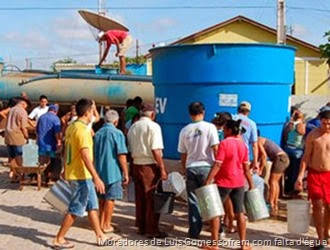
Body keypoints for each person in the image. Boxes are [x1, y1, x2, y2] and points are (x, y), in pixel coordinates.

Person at [53, 98, 113, 248]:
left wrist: (65, 168)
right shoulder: (83, 130)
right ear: (87, 113)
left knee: (92, 206)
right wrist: (96, 177)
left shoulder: (71, 126)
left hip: (76, 172)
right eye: (93, 111)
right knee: (76, 208)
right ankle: (59, 239)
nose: (94, 114)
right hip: (82, 175)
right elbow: (85, 155)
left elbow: (66, 149)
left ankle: (100, 235)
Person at [205, 119, 254, 250]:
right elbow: (246, 168)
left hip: (223, 182)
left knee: (215, 212)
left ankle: (214, 244)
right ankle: (243, 244)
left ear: (229, 130)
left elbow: (218, 163)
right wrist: (251, 184)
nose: (223, 131)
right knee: (240, 213)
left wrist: (209, 180)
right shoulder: (243, 146)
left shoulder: (224, 144)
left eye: (225, 129)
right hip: (239, 183)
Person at [178, 102, 219, 238]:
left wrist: (184, 168)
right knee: (210, 200)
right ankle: (215, 231)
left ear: (190, 114)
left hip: (191, 167)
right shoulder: (210, 128)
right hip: (207, 167)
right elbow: (216, 148)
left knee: (193, 201)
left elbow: (183, 153)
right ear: (203, 112)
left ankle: (194, 231)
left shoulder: (184, 130)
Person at [127, 103, 168, 238]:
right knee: (152, 197)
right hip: (149, 166)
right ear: (152, 114)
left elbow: (130, 148)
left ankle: (141, 226)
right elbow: (155, 149)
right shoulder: (154, 127)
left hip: (136, 164)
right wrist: (162, 169)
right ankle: (152, 229)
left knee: (140, 198)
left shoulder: (133, 126)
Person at [295, 110, 330, 249]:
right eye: (324, 123)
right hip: (315, 174)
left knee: (328, 207)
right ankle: (320, 238)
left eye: (329, 124)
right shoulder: (313, 135)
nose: (327, 127)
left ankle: (326, 232)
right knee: (317, 206)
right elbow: (306, 157)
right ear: (319, 121)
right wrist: (299, 176)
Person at [94, 109, 129, 233]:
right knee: (111, 198)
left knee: (101, 198)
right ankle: (107, 224)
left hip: (99, 171)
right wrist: (126, 171)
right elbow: (121, 155)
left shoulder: (98, 133)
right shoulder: (117, 133)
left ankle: (100, 222)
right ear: (116, 121)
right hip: (113, 171)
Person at [258, 134, 290, 214]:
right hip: (284, 158)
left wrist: (260, 169)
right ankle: (275, 203)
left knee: (272, 181)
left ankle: (271, 203)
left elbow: (264, 156)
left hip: (279, 159)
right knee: (275, 182)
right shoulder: (263, 140)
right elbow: (260, 156)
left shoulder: (258, 141)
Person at [4, 97, 30, 181]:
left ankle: (13, 175)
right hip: (17, 136)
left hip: (8, 136)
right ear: (23, 104)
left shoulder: (11, 110)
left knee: (11, 157)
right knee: (19, 156)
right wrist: (27, 136)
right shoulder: (22, 111)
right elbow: (23, 127)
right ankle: (20, 175)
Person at [36, 104, 62, 183]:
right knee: (52, 160)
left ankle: (42, 176)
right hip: (51, 145)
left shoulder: (41, 117)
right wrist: (59, 141)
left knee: (42, 161)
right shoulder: (56, 119)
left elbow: (36, 130)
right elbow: (57, 132)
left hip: (41, 144)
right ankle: (50, 177)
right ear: (56, 111)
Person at [282, 109, 305, 196]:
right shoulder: (299, 125)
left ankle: (288, 188)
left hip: (288, 148)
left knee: (289, 170)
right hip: (297, 150)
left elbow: (285, 136)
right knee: (296, 170)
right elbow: (302, 133)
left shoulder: (289, 124)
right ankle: (294, 189)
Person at [235, 101, 259, 170]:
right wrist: (255, 161)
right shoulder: (252, 124)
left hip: (229, 151)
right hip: (243, 154)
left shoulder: (231, 119)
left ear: (238, 109)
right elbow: (254, 145)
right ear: (248, 112)